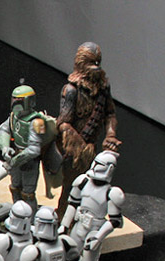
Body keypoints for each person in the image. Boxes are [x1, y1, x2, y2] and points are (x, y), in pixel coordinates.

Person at [56, 42, 121, 216]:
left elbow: (110, 114)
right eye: (92, 62)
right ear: (82, 64)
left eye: (98, 62)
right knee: (71, 186)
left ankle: (83, 215)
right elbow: (63, 123)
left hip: (92, 147)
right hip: (74, 150)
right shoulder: (71, 90)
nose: (96, 66)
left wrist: (110, 134)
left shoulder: (103, 89)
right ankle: (63, 217)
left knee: (92, 185)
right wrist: (80, 146)